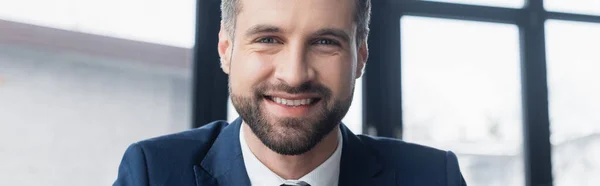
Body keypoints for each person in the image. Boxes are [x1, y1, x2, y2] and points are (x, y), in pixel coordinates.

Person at [113, 0, 467, 185]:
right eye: (268, 39)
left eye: (325, 42)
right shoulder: (154, 174)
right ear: (225, 48)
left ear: (360, 58)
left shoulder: (434, 177)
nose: (294, 75)